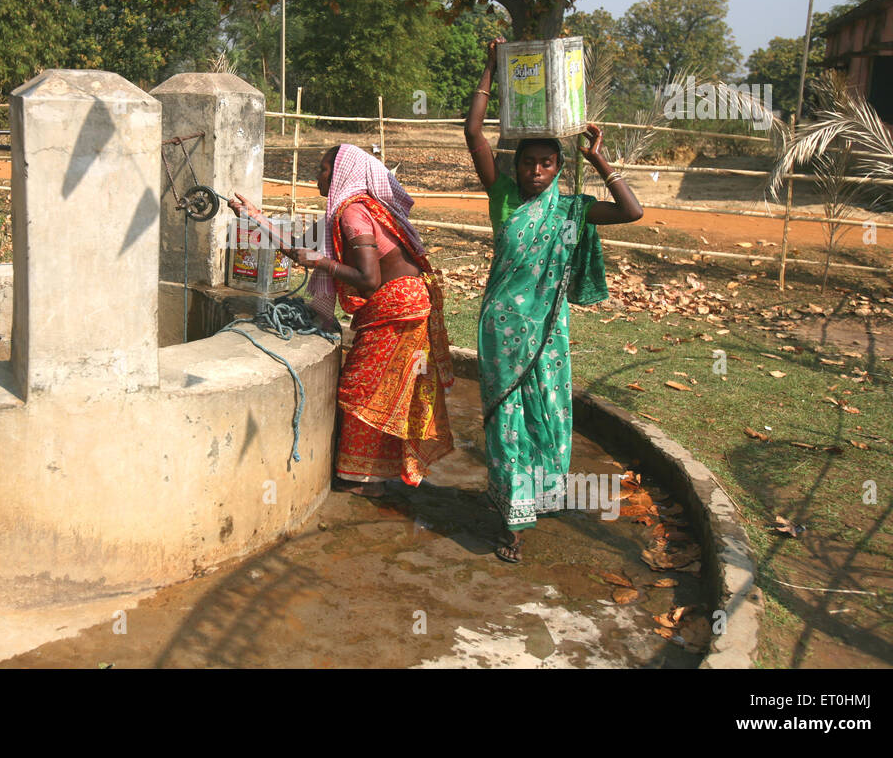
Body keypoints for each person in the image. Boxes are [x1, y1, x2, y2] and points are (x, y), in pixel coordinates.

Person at [466, 39, 643, 562]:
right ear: (516, 166)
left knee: (545, 411)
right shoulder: (503, 197)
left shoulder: (573, 209)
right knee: (506, 418)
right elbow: (474, 133)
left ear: (558, 169)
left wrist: (601, 159)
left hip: (548, 330)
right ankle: (513, 520)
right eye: (529, 163)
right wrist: (490, 68)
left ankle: (535, 496)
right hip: (503, 328)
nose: (537, 171)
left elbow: (631, 212)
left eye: (547, 164)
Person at [227, 144, 455, 496]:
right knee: (381, 389)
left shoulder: (353, 214)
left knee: (359, 390)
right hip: (402, 306)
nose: (316, 175)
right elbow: (300, 246)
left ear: (340, 174)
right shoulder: (351, 212)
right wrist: (254, 217)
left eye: (322, 168)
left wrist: (322, 263)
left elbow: (368, 279)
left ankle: (360, 479)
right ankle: (371, 475)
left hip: (396, 308)